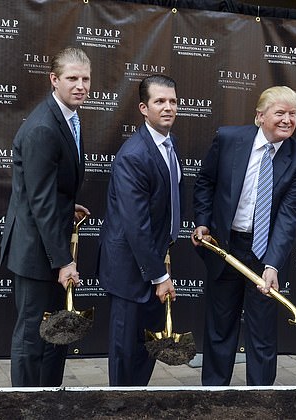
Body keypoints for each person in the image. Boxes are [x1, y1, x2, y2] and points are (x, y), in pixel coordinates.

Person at [191, 86, 296, 386]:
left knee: (262, 333)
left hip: (265, 254)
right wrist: (203, 222)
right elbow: (205, 182)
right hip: (226, 247)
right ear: (260, 116)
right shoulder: (229, 139)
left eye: (293, 114)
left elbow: (288, 218)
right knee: (220, 328)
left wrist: (272, 265)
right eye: (280, 113)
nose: (288, 120)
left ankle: (260, 400)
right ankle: (214, 396)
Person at [0, 47, 91, 387]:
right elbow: (40, 202)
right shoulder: (42, 127)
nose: (80, 86)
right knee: (31, 336)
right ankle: (24, 404)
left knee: (56, 333)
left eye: (85, 79)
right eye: (72, 79)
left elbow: (50, 192)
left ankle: (49, 397)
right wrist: (64, 260)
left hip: (48, 245)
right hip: (35, 252)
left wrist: (68, 207)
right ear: (54, 80)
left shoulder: (67, 117)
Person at [98, 74, 181, 386]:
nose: (168, 107)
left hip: (153, 261)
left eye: (173, 101)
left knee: (146, 346)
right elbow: (137, 225)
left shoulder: (168, 145)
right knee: (125, 350)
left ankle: (137, 401)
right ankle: (119, 406)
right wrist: (160, 276)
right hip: (130, 270)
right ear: (144, 108)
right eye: (160, 101)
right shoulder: (135, 155)